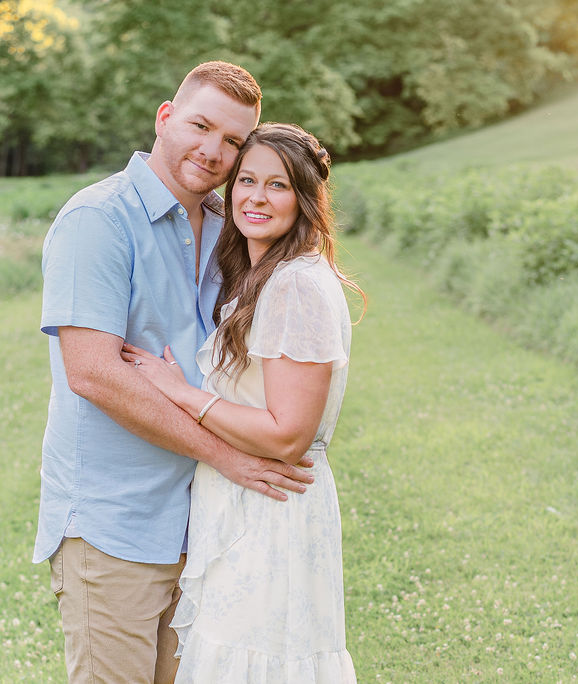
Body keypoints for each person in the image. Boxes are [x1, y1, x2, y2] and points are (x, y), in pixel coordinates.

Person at [36, 62, 317, 684]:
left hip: (203, 525)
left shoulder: (229, 228)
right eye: (200, 126)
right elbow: (94, 375)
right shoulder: (98, 220)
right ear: (166, 118)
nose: (213, 151)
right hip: (115, 525)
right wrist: (227, 455)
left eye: (234, 141)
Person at [123, 122, 362, 682]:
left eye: (277, 185)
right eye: (246, 180)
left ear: (304, 198)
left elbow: (288, 435)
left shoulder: (295, 286)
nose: (255, 196)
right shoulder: (263, 276)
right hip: (243, 505)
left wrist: (181, 393)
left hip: (272, 508)